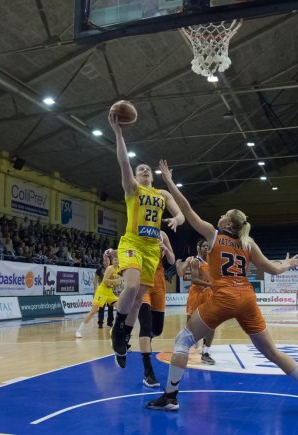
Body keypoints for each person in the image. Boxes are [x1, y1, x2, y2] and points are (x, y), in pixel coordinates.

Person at [146, 160, 298, 411]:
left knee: (182, 341)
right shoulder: (248, 243)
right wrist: (287, 264)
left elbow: (187, 209)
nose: (220, 215)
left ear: (228, 224)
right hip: (247, 297)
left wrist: (169, 181)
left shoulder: (213, 235)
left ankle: (169, 397)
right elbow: (274, 269)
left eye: (224, 214)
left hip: (224, 297)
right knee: (273, 353)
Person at [108, 113, 185, 368]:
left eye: (145, 169)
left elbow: (181, 212)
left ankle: (124, 337)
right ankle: (119, 329)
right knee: (130, 287)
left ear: (151, 176)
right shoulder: (133, 189)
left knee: (139, 297)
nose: (141, 170)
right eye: (138, 169)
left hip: (152, 249)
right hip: (132, 243)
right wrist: (119, 134)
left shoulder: (161, 193)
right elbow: (122, 162)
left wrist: (177, 220)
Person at [138, 231, 175, 387]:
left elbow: (172, 260)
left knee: (157, 329)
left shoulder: (161, 234)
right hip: (142, 281)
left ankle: (145, 340)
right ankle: (148, 371)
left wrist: (165, 249)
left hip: (159, 282)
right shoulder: (137, 230)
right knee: (145, 326)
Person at [76, 250, 121, 338]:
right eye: (115, 260)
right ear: (112, 261)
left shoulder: (119, 269)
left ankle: (116, 328)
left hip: (109, 292)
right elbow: (104, 281)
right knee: (93, 311)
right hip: (102, 291)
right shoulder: (110, 268)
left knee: (121, 308)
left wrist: (118, 283)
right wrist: (116, 281)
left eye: (118, 260)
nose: (117, 261)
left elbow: (115, 283)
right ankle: (79, 330)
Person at [187, 239, 215, 364]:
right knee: (190, 325)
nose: (206, 248)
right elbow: (194, 279)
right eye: (204, 246)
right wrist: (210, 284)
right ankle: (185, 347)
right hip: (196, 295)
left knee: (212, 323)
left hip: (208, 294)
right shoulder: (195, 262)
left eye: (208, 247)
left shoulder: (212, 261)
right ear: (199, 247)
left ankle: (206, 352)